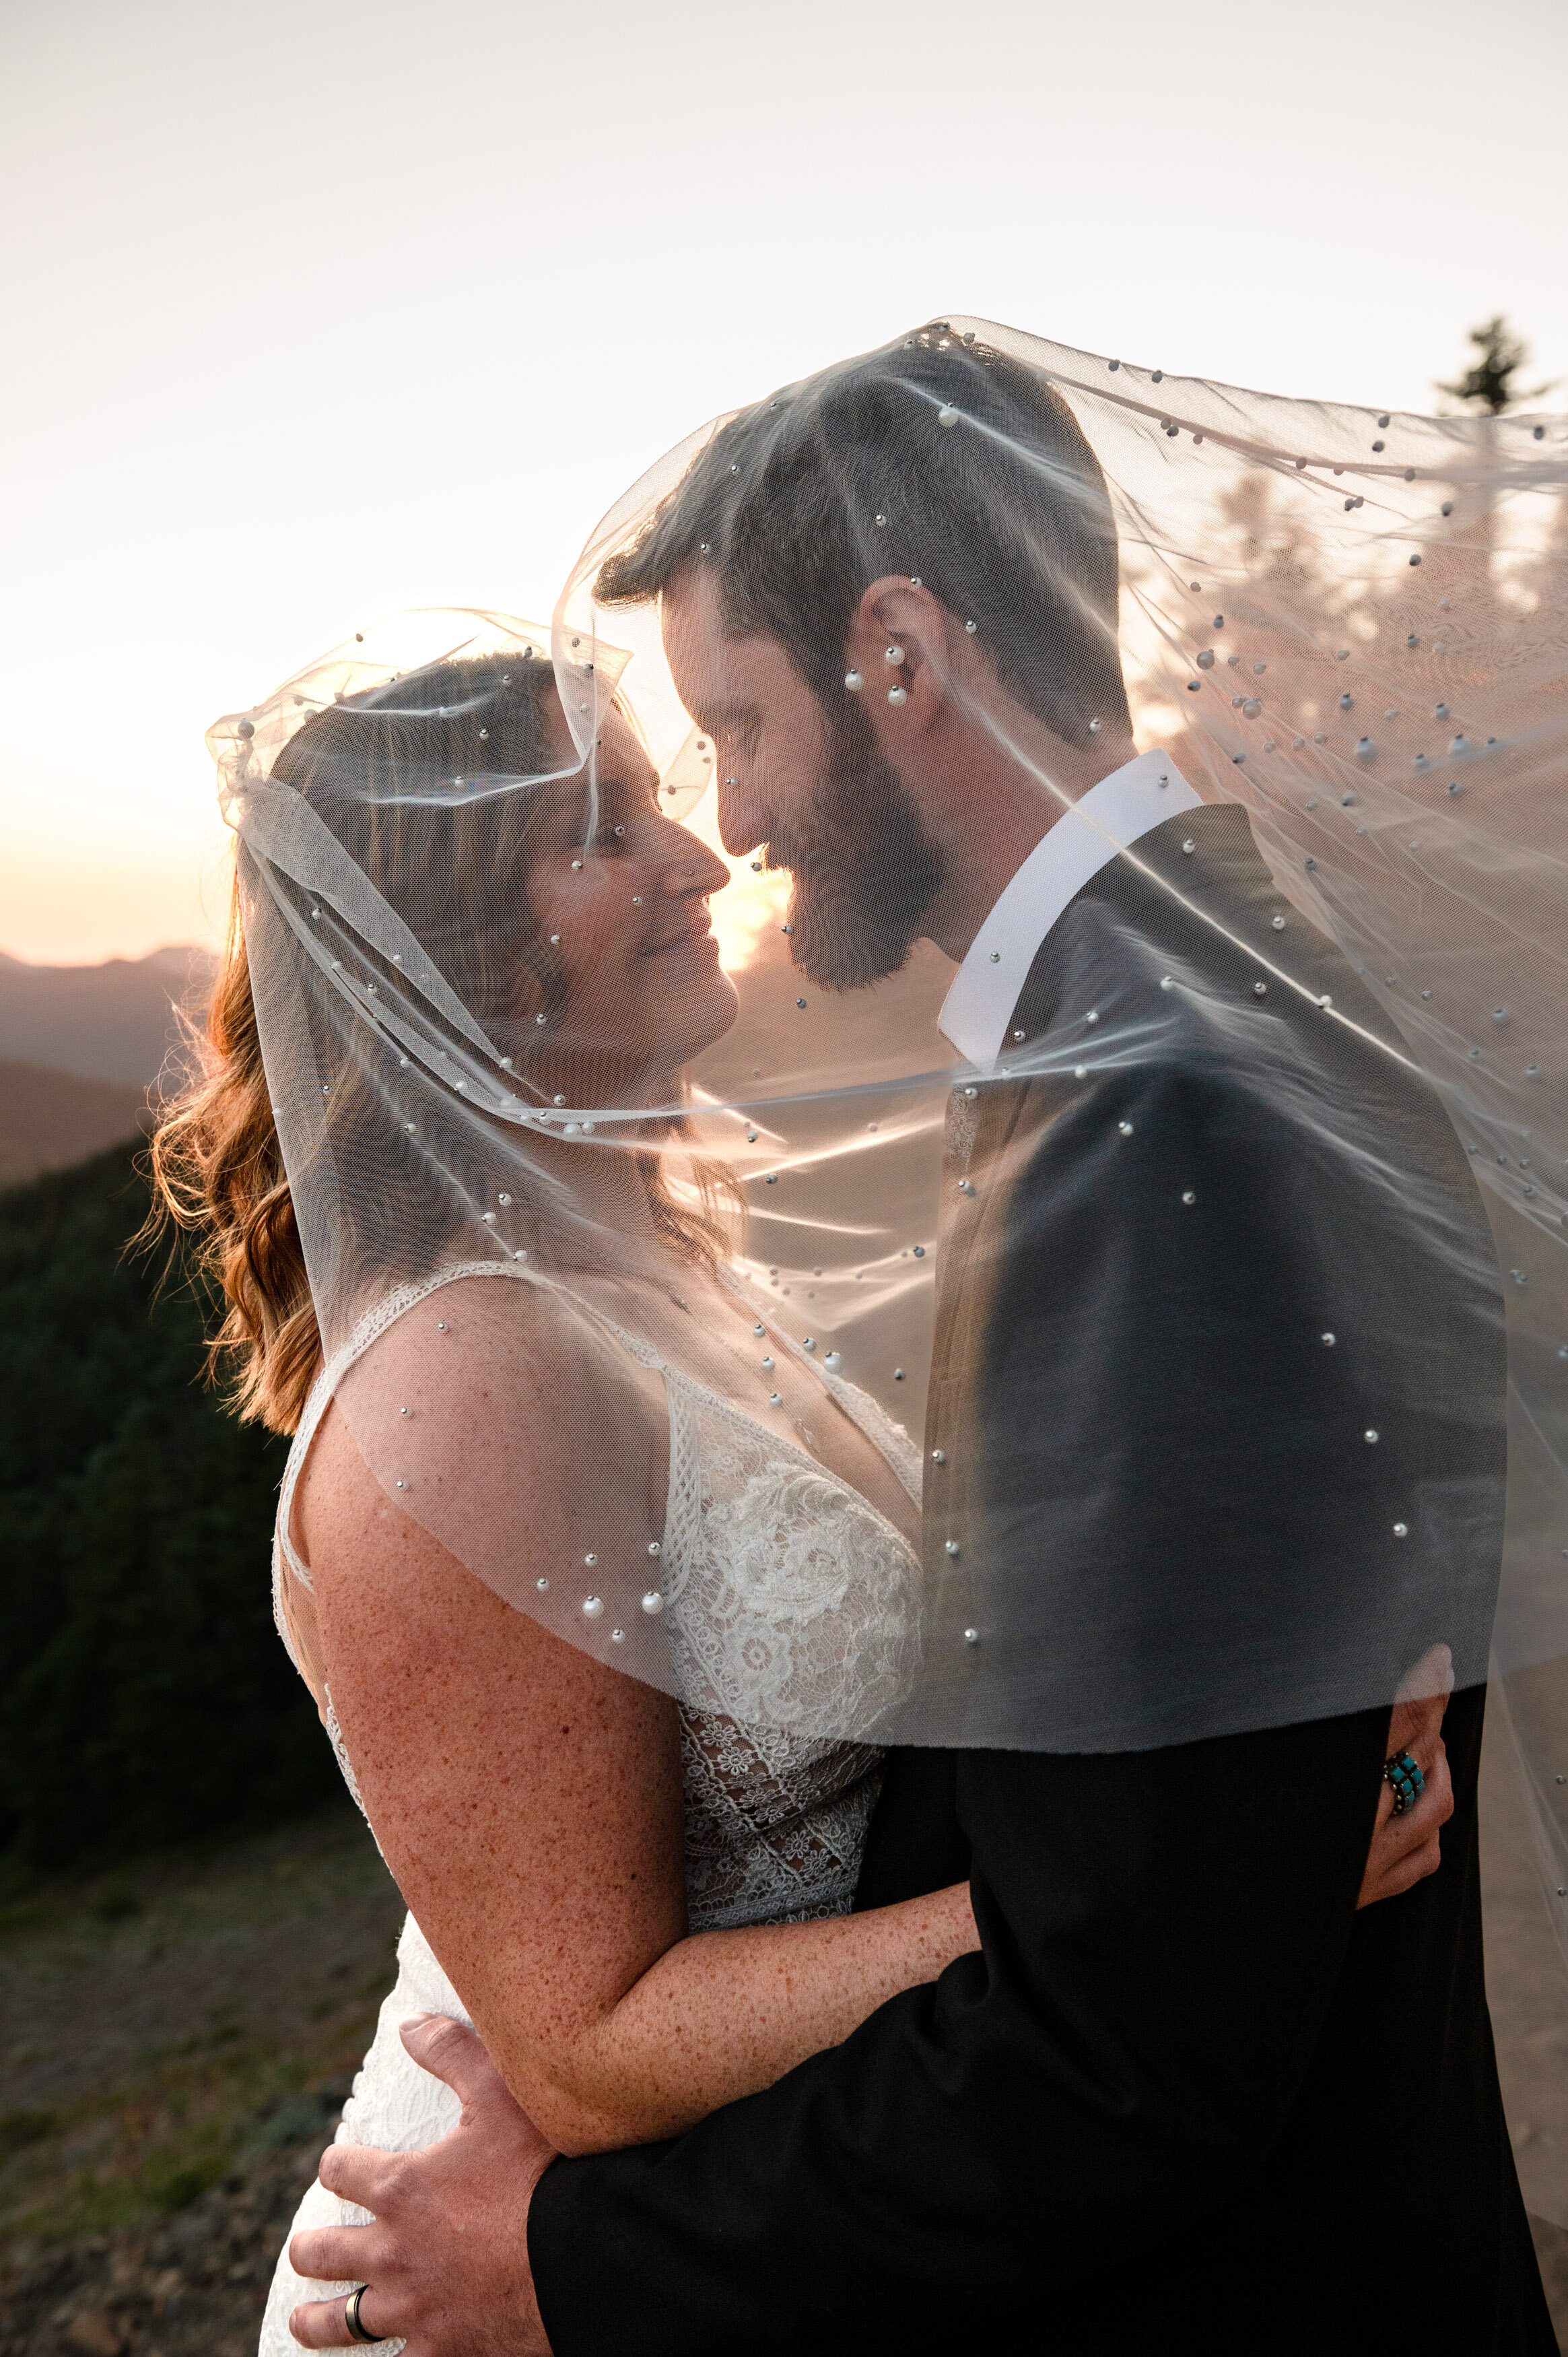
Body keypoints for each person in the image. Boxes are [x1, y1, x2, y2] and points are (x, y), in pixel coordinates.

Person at [285, 325, 1560, 2351]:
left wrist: (572, 2263)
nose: (733, 821)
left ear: (897, 652)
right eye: (651, 785)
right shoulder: (1205, 1011)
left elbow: (1118, 2038)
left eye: (735, 725)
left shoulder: (1142, 1121)